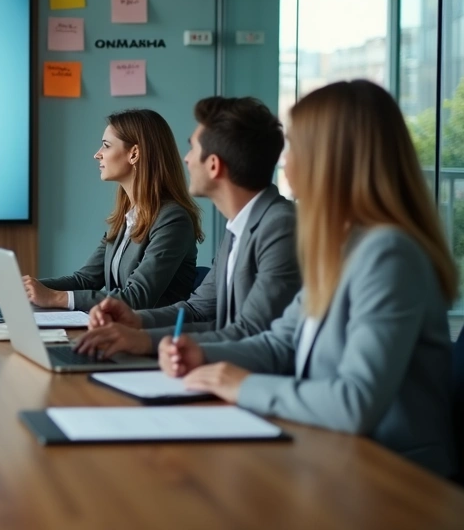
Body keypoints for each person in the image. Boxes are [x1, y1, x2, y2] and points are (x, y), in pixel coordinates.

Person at [161, 80, 457, 478]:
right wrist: (205, 354)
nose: (285, 161)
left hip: (395, 479)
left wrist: (240, 385)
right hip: (331, 458)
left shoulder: (390, 254)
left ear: (331, 157)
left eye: (295, 145)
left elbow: (355, 402)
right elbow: (281, 343)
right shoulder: (342, 245)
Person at [75, 97, 300, 357]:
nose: (186, 159)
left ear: (214, 165)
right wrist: (137, 322)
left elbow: (251, 331)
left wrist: (145, 341)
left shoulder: (279, 226)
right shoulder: (239, 227)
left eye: (193, 149)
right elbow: (197, 310)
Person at [0, 109, 202, 311]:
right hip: (116, 332)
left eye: (106, 146)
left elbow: (137, 297)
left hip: (154, 342)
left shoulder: (172, 220)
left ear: (134, 154)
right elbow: (85, 280)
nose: (97, 154)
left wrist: (56, 298)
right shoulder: (127, 216)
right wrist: (12, 291)